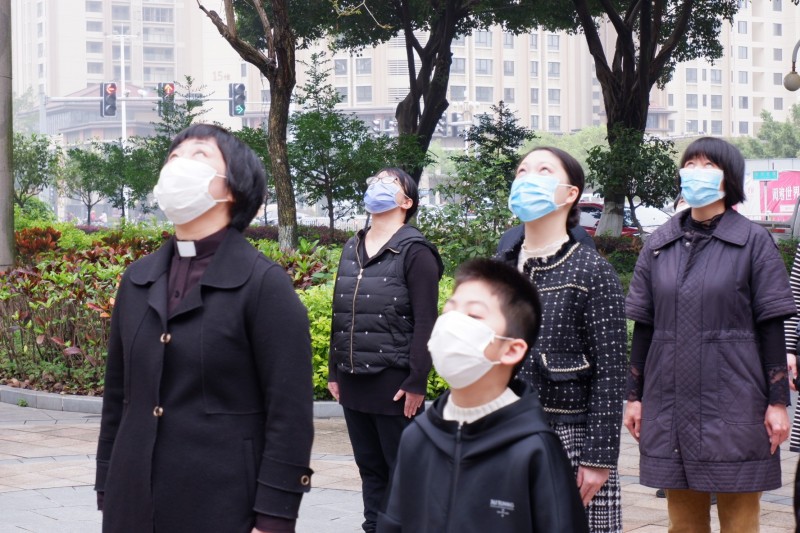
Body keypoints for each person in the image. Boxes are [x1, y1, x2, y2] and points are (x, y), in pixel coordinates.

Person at [95, 124, 314, 533]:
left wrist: (275, 515)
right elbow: (119, 396)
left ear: (231, 187)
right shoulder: (137, 279)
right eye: (173, 157)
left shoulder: (263, 285)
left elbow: (290, 413)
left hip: (222, 502)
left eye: (199, 155)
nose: (178, 165)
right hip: (133, 498)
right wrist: (108, 482)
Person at [624, 137, 795, 532]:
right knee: (683, 524)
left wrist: (777, 403)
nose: (695, 172)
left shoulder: (753, 240)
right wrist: (634, 397)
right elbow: (644, 326)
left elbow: (771, 324)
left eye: (708, 165)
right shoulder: (659, 243)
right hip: (670, 402)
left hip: (737, 401)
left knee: (740, 523)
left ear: (728, 177)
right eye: (690, 164)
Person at [376, 258, 589, 533]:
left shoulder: (534, 449)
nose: (452, 324)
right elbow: (393, 523)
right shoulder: (416, 437)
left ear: (511, 350)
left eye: (474, 315)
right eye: (449, 311)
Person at [495, 147, 627, 532]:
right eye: (522, 171)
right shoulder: (499, 269)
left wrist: (599, 458)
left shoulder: (592, 272)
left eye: (543, 170)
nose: (527, 178)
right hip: (500, 431)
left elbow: (611, 372)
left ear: (571, 193)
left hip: (567, 436)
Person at [327, 167, 443, 533]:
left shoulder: (416, 251)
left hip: (394, 384)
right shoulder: (353, 245)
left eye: (389, 181)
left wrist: (417, 380)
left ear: (407, 201)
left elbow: (426, 320)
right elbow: (341, 310)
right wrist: (334, 370)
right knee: (370, 470)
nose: (378, 184)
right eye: (375, 179)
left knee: (403, 473)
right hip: (353, 380)